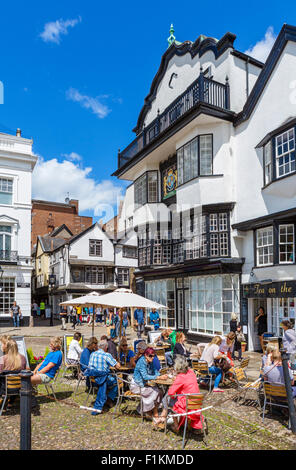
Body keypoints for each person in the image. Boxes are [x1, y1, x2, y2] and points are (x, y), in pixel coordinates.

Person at [130, 347, 168, 428]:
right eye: (150, 356)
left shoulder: (149, 362)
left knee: (160, 391)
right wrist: (158, 378)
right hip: (137, 385)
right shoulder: (141, 362)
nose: (152, 357)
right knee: (155, 391)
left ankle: (148, 411)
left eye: (153, 356)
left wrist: (161, 375)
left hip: (144, 384)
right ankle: (155, 414)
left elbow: (155, 371)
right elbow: (145, 376)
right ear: (145, 355)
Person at [167, 355, 205, 433]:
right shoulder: (191, 372)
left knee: (170, 400)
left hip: (187, 405)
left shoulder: (180, 377)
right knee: (179, 398)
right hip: (197, 403)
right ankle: (186, 424)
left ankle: (176, 426)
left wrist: (175, 382)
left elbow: (171, 393)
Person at [86, 339, 120, 415]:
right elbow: (118, 366)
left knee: (110, 379)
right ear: (106, 348)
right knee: (117, 382)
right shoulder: (106, 355)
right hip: (102, 378)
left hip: (93, 378)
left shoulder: (93, 354)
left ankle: (107, 398)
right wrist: (115, 360)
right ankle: (109, 398)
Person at [0, 338, 29, 409]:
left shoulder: (3, 358)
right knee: (14, 378)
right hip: (19, 387)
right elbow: (25, 371)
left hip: (5, 388)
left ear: (7, 348)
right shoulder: (23, 358)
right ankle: (10, 403)